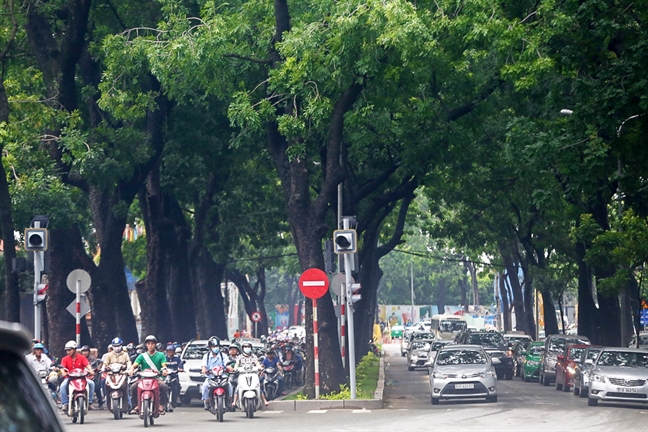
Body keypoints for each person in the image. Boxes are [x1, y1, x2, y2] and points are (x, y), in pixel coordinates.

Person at [129, 335, 169, 415]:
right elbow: (134, 365)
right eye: (148, 344)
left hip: (156, 378)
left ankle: (161, 405)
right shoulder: (142, 356)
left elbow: (164, 365)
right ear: (146, 345)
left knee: (164, 386)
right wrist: (131, 369)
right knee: (133, 387)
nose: (150, 345)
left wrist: (164, 370)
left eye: (152, 343)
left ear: (155, 345)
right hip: (143, 378)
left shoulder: (161, 355)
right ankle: (136, 405)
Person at [60, 341, 96, 413]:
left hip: (81, 378)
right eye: (67, 350)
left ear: (74, 349)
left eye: (69, 350)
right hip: (69, 378)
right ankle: (65, 404)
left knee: (91, 384)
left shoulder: (82, 358)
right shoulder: (65, 359)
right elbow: (62, 367)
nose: (68, 352)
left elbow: (87, 365)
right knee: (62, 386)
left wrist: (91, 370)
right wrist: (63, 372)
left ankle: (89, 402)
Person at [232, 341, 268, 407]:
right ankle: (234, 401)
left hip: (253, 374)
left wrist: (259, 367)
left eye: (248, 347)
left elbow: (257, 363)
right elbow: (237, 364)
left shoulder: (253, 356)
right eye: (245, 347)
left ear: (251, 348)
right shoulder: (240, 357)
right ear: (242, 348)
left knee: (257, 386)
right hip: (242, 374)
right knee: (238, 387)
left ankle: (264, 400)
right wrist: (235, 368)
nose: (247, 348)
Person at [200, 337, 231, 410]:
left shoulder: (223, 355)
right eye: (213, 346)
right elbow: (204, 366)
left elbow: (227, 364)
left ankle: (229, 400)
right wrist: (204, 370)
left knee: (229, 385)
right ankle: (207, 401)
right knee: (204, 386)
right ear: (210, 347)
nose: (215, 348)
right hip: (210, 377)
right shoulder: (206, 356)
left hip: (222, 376)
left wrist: (229, 368)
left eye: (217, 346)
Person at [165, 344, 184, 410]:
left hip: (174, 376)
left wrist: (180, 369)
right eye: (169, 351)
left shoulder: (177, 359)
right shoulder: (164, 359)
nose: (170, 352)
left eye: (171, 351)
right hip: (165, 376)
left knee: (177, 386)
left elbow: (180, 365)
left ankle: (177, 397)